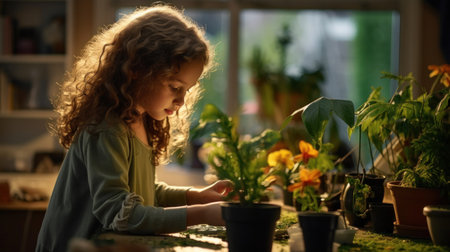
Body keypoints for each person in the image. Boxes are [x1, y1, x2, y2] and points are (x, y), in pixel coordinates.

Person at [36, 4, 233, 252]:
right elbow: (122, 213)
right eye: (174, 86)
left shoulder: (143, 121)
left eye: (187, 90)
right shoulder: (107, 128)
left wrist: (196, 196)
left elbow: (143, 191)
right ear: (139, 71)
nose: (182, 100)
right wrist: (202, 213)